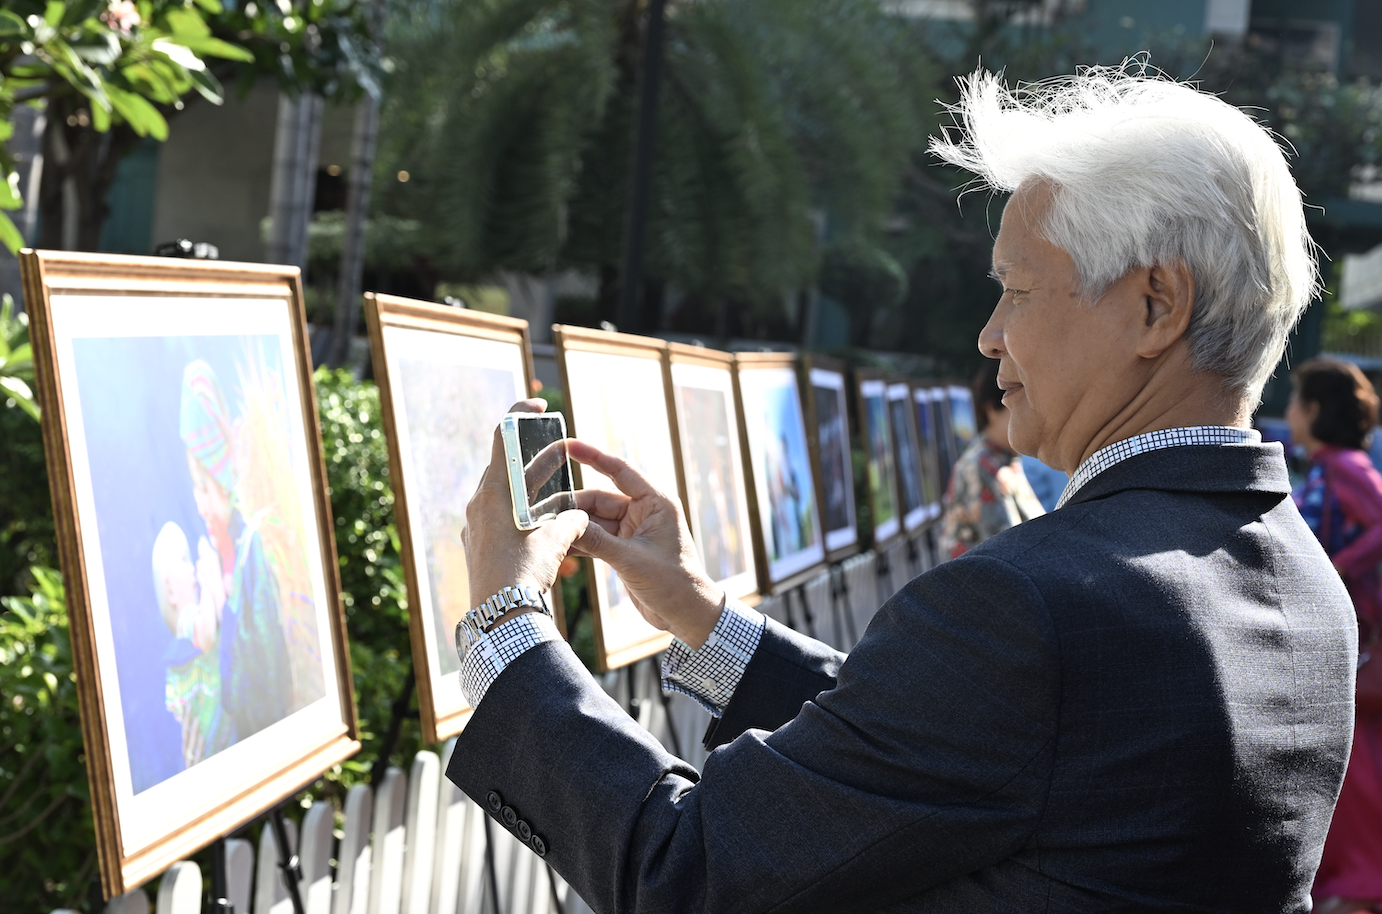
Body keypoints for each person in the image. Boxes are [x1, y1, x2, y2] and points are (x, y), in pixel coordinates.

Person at [446, 66, 1356, 911]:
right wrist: (701, 620)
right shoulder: (1307, 587)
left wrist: (505, 624)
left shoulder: (1034, 606)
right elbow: (949, 747)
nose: (989, 336)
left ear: (1156, 305)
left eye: (1018, 290)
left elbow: (687, 868)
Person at [1285, 358, 1382, 914]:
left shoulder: (1345, 468)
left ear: (1317, 410)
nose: (1291, 413)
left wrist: (1332, 570)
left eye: (1297, 402)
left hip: (1358, 659)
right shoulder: (1327, 468)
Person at [179, 359, 293, 741]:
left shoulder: (253, 551)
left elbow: (264, 667)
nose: (201, 505)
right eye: (195, 489)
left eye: (207, 490)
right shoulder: (219, 558)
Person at [151, 520, 235, 767]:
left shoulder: (197, 613)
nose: (192, 569)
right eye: (184, 560)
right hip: (207, 728)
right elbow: (207, 635)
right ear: (169, 589)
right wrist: (210, 584)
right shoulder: (188, 621)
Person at [939, 360, 1044, 557]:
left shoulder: (1003, 461)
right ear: (992, 409)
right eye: (1023, 405)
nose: (1035, 417)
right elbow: (1014, 552)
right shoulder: (982, 466)